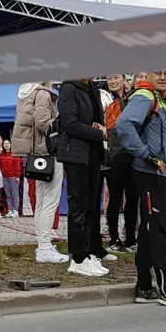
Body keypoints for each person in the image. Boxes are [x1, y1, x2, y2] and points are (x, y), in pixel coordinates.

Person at [115, 71, 166, 305]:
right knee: (158, 230)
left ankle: (144, 287)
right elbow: (124, 125)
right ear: (147, 73)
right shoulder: (145, 96)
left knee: (150, 232)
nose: (162, 76)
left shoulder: (158, 97)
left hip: (163, 172)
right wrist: (146, 155)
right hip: (153, 173)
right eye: (157, 72)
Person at [55, 76, 109, 278]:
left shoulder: (92, 88)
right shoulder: (69, 88)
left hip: (93, 154)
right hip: (76, 154)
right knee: (78, 205)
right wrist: (100, 134)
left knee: (90, 206)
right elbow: (70, 124)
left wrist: (100, 131)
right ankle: (77, 257)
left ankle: (87, 253)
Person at [12, 81, 67, 264]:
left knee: (42, 201)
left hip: (37, 153)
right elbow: (43, 122)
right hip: (49, 151)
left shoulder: (25, 93)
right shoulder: (43, 93)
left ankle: (42, 244)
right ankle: (44, 246)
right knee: (50, 202)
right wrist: (61, 127)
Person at [101, 73, 138, 253]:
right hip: (114, 157)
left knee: (133, 199)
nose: (113, 81)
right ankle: (114, 238)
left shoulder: (133, 99)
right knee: (114, 199)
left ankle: (131, 238)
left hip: (132, 156)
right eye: (109, 79)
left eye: (116, 77)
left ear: (124, 80)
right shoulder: (106, 101)